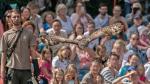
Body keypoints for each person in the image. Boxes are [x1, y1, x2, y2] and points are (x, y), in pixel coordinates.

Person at [0, 9, 35, 84]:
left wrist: (36, 67)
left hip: (26, 69)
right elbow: (4, 54)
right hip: (12, 69)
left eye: (18, 16)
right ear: (11, 19)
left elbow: (33, 52)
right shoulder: (6, 35)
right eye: (14, 17)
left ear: (21, 17)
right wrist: (2, 69)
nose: (16, 18)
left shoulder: (29, 33)